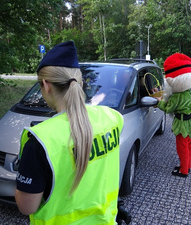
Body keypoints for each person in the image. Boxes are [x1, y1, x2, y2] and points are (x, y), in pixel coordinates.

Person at [15, 41, 124, 225]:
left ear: (46, 86)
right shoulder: (112, 117)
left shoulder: (39, 142)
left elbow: (27, 207)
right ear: (80, 83)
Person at [155, 53, 191, 177]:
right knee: (189, 146)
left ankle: (183, 171)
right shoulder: (190, 90)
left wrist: (159, 102)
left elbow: (168, 109)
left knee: (182, 147)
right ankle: (187, 166)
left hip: (183, 124)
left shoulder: (177, 95)